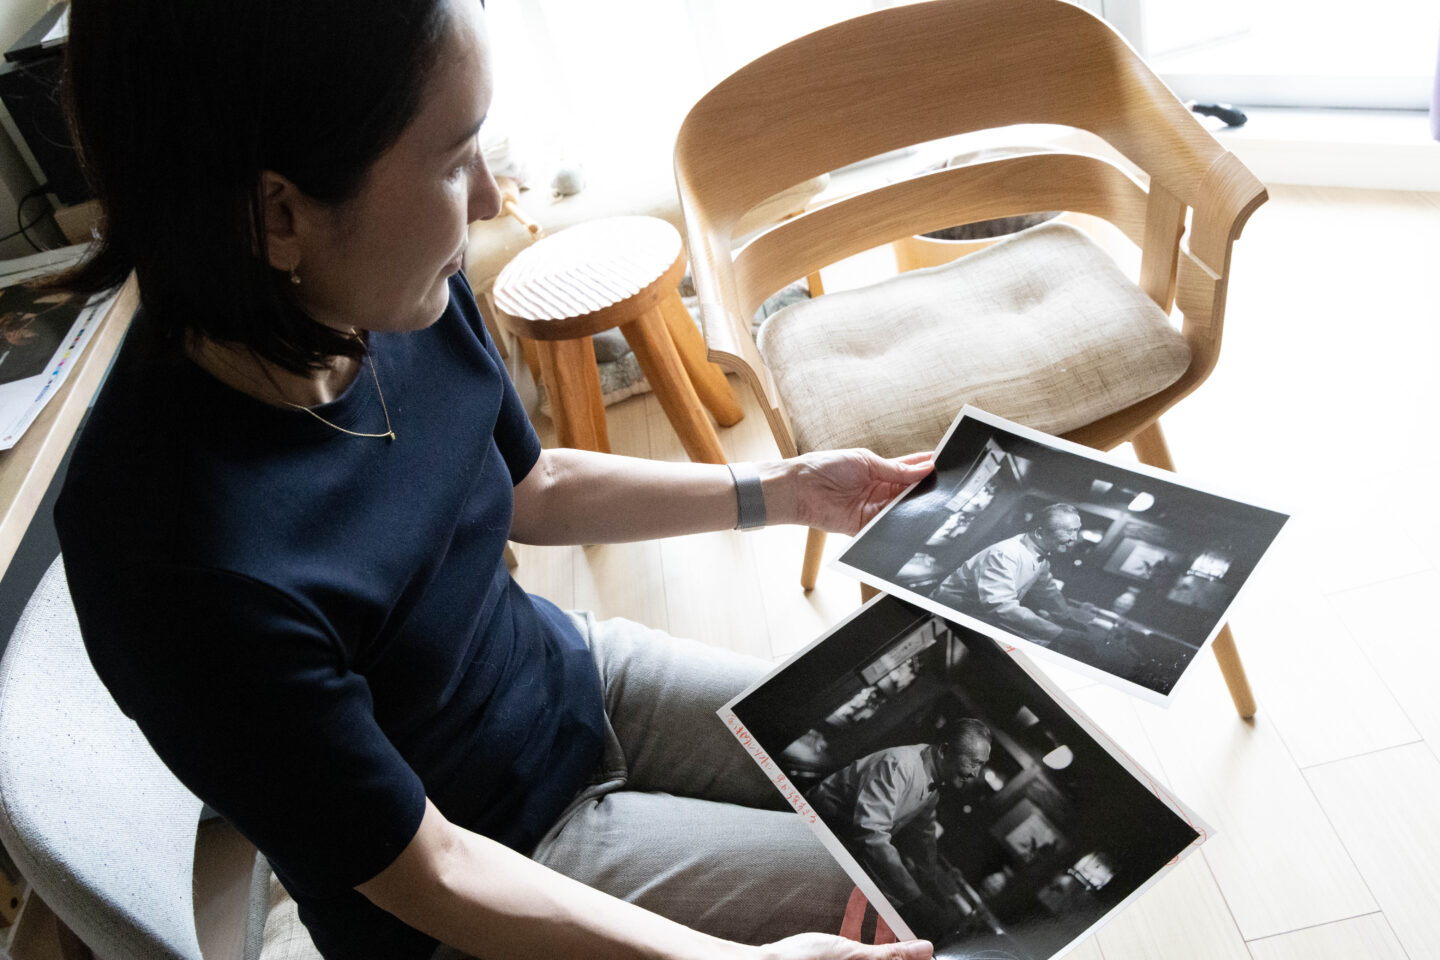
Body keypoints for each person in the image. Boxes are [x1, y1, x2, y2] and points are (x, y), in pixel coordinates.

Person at [49, 2, 937, 959]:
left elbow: (536, 485)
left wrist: (788, 491)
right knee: (926, 894)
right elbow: (430, 871)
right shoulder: (175, 563)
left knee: (933, 754)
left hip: (573, 678)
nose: (486, 199)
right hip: (480, 862)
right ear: (279, 216)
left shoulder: (383, 291)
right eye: (451, 161)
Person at [805, 721, 992, 939]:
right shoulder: (900, 765)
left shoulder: (933, 782)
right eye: (974, 763)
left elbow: (924, 836)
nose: (976, 774)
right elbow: (871, 835)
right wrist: (916, 898)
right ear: (944, 750)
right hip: (812, 836)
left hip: (841, 845)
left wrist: (932, 882)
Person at [929, 504, 1096, 643]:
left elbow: (1047, 590)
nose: (1075, 538)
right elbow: (1001, 606)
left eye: (1076, 531)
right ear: (1040, 533)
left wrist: (1066, 618)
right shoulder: (1005, 554)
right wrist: (1060, 634)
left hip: (976, 616)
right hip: (944, 617)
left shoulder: (1040, 556)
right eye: (1069, 531)